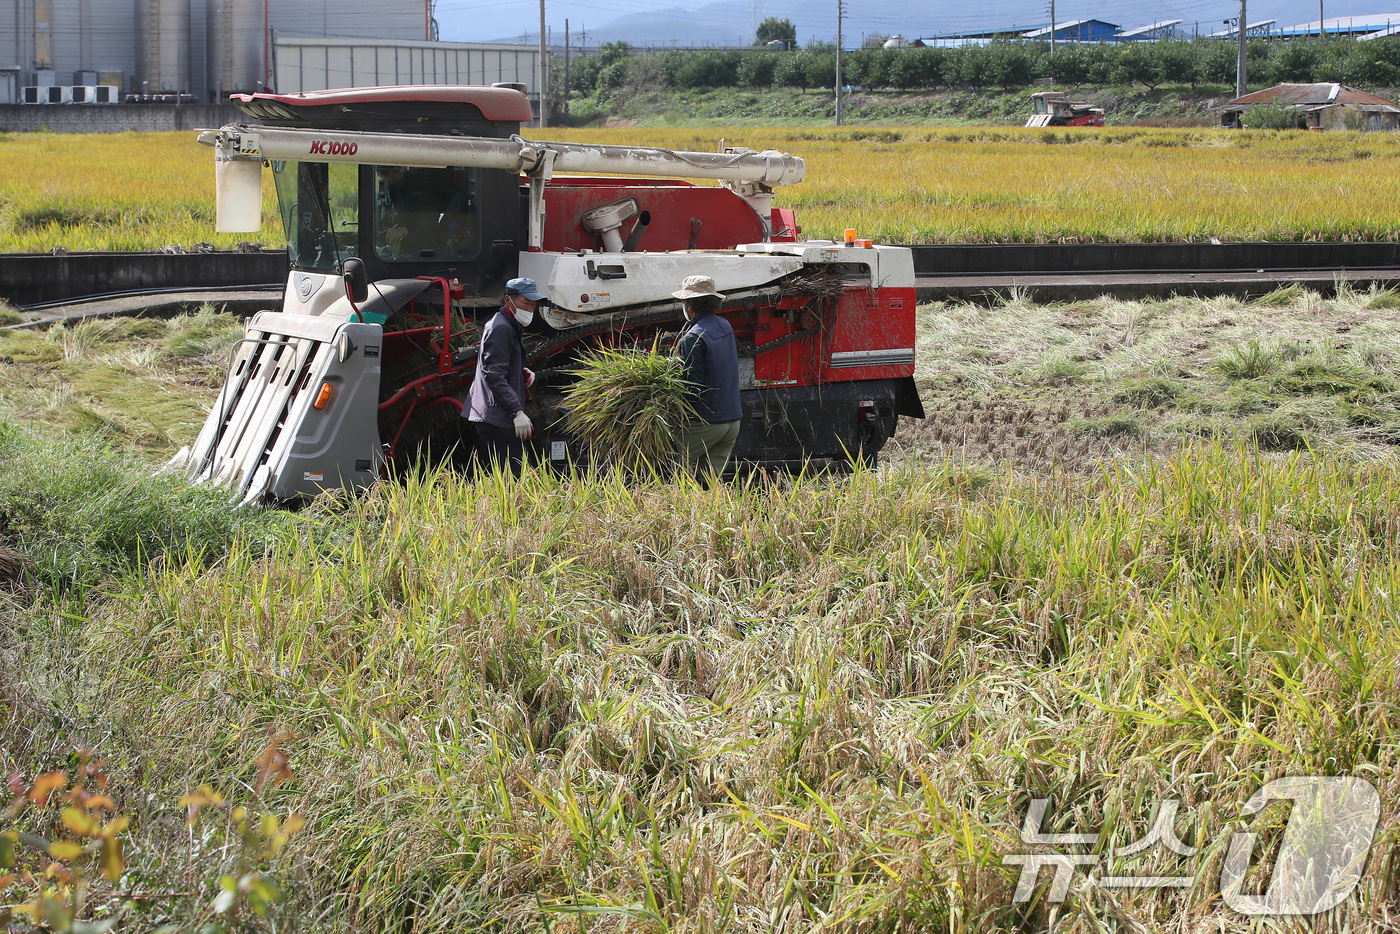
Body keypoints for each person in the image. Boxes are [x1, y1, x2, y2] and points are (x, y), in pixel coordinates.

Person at [464, 277, 544, 477]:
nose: (530, 309)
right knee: (514, 478)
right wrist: (517, 412)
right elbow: (493, 374)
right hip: (497, 417)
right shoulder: (501, 328)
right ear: (508, 301)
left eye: (533, 305)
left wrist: (518, 373)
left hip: (494, 415)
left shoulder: (508, 324)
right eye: (526, 303)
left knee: (506, 477)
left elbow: (498, 367)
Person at [672, 275, 742, 476]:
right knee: (709, 482)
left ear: (689, 304)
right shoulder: (724, 325)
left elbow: (693, 386)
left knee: (665, 465)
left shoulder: (693, 336)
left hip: (709, 422)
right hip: (732, 420)